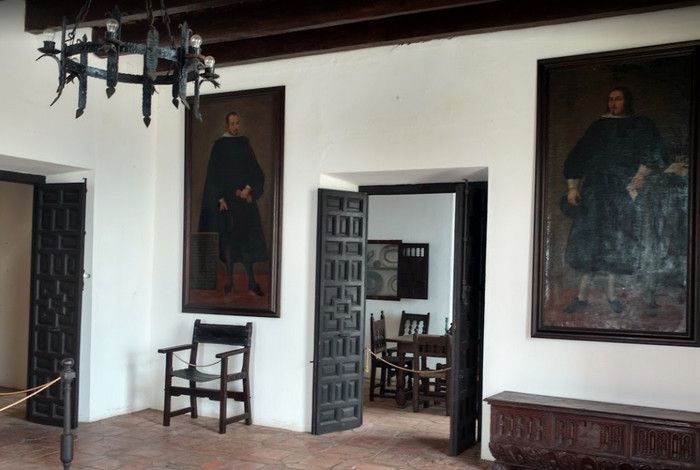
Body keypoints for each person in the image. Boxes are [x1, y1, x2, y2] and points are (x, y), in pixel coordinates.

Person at [562, 86, 665, 313]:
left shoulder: (640, 125)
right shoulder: (598, 127)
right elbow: (578, 156)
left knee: (616, 243)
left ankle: (612, 296)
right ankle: (582, 297)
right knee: (589, 242)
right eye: (610, 99)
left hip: (621, 191)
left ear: (627, 101)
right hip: (594, 192)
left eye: (618, 99)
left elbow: (653, 153)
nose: (613, 103)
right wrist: (572, 188)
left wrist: (638, 179)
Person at [198, 112, 268, 296]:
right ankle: (229, 282)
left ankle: (251, 283)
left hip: (244, 202)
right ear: (226, 125)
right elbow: (214, 174)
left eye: (237, 123)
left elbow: (254, 170)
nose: (235, 126)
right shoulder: (220, 145)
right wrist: (220, 198)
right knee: (229, 243)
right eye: (232, 123)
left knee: (246, 242)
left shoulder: (244, 143)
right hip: (227, 203)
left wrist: (248, 188)